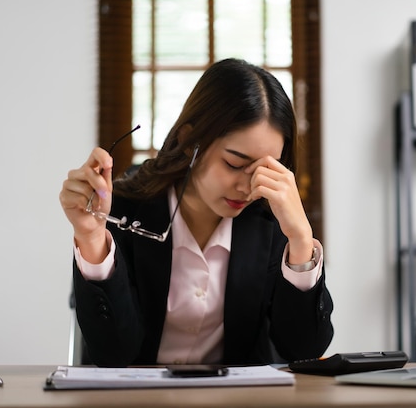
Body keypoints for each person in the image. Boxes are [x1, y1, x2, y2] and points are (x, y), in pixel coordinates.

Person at [59, 58, 334, 367]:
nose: (247, 187)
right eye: (234, 163)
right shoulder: (119, 212)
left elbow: (303, 351)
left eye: (265, 170)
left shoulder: (272, 223)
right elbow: (114, 353)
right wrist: (92, 237)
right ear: (190, 141)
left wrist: (300, 240)